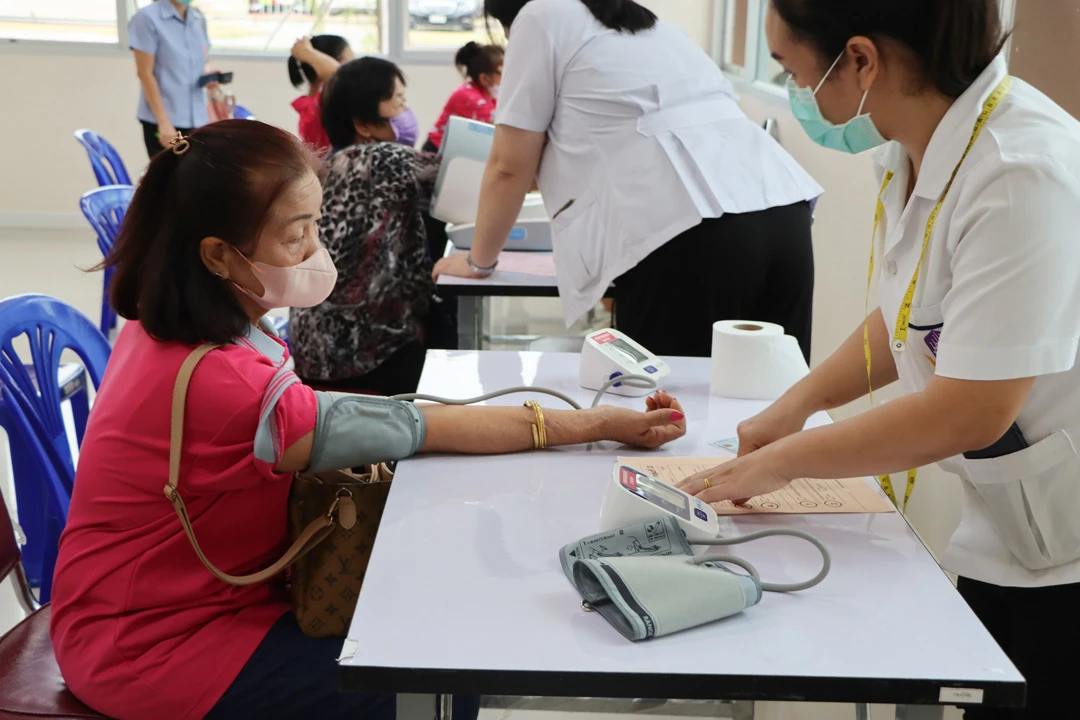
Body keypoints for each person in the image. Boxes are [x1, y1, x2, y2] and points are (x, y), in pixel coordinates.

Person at [49, 119, 687, 720]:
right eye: (295, 234)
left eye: (315, 224)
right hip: (149, 645)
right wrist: (597, 424)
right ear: (218, 255)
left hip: (155, 602)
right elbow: (419, 427)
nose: (314, 248)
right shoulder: (228, 386)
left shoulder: (162, 326)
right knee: (436, 680)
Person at [676, 2, 1080, 718]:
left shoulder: (1021, 172)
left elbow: (971, 409)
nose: (795, 93)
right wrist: (792, 405)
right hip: (1012, 522)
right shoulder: (914, 145)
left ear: (860, 61)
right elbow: (910, 319)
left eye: (793, 73)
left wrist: (787, 460)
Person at [433, 0, 822, 362]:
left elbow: (507, 166)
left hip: (694, 232)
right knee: (771, 402)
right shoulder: (653, 28)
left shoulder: (540, 14)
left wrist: (478, 263)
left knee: (668, 417)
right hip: (783, 213)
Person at [290, 58, 448, 395]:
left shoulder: (329, 165)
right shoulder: (384, 159)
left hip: (312, 350)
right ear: (363, 123)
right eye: (398, 101)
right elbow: (470, 180)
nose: (406, 111)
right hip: (367, 352)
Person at [290, 35, 420, 153]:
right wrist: (308, 53)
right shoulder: (316, 108)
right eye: (349, 64)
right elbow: (339, 75)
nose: (357, 72)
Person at [130, 0, 215, 157]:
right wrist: (163, 122)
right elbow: (144, 73)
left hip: (198, 120)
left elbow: (204, 60)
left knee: (196, 179)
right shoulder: (146, 18)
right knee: (170, 179)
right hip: (165, 122)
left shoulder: (198, 18)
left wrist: (209, 75)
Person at [423, 41, 505, 152]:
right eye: (502, 73)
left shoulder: (490, 94)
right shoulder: (471, 98)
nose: (507, 77)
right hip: (436, 152)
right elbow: (497, 129)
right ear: (484, 78)